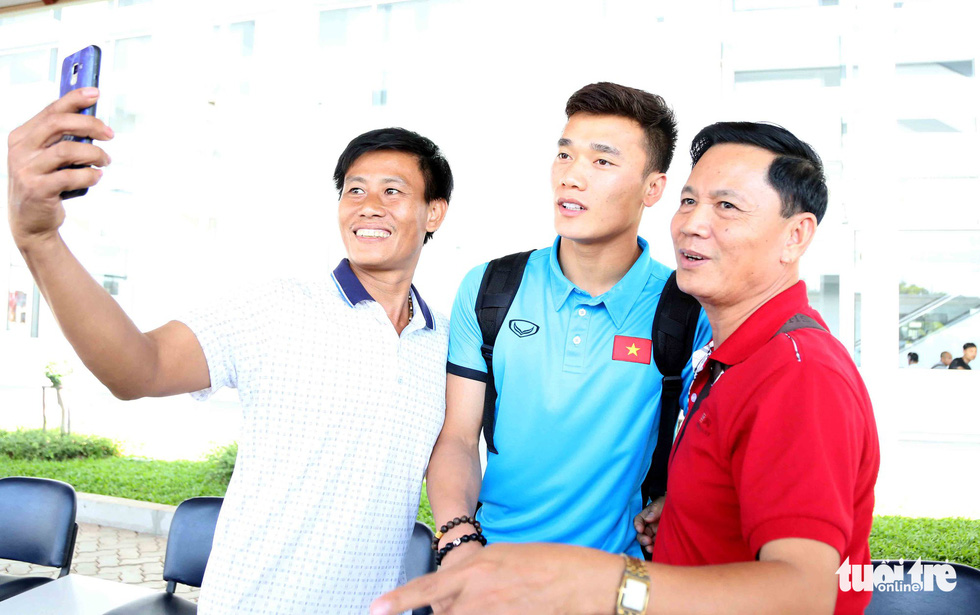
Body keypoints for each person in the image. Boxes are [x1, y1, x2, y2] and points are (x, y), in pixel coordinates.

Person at [373, 122, 880, 615]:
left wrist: (592, 583)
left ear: (796, 236)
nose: (692, 223)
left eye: (727, 206)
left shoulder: (799, 372)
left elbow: (806, 594)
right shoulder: (729, 359)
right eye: (689, 201)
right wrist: (675, 511)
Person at [7, 87, 452, 614]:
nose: (368, 206)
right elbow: (138, 369)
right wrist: (41, 241)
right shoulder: (275, 307)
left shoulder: (446, 344)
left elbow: (461, 461)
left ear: (433, 213)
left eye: (392, 191)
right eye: (354, 190)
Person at [425, 82, 710, 567]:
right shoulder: (491, 288)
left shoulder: (686, 309)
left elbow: (706, 455)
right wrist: (458, 539)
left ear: (653, 188)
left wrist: (673, 501)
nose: (571, 177)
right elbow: (458, 437)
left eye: (601, 161)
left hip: (616, 580)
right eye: (564, 154)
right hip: (491, 570)